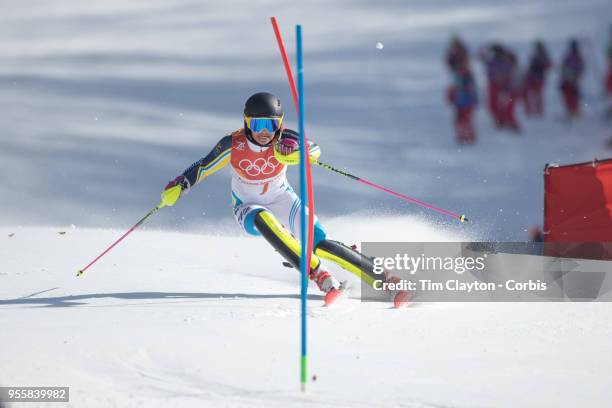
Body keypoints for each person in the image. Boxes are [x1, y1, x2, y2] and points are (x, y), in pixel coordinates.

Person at [160, 92, 409, 307]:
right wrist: (181, 184)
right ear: (247, 123)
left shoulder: (284, 139)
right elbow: (203, 167)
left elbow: (315, 150)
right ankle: (319, 275)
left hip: (282, 198)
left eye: (271, 125)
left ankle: (387, 281)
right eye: (257, 126)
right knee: (264, 218)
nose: (265, 133)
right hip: (247, 205)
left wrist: (297, 151)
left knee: (320, 244)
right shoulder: (232, 144)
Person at [447, 63, 478, 144]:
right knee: (460, 120)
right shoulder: (458, 76)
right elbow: (453, 89)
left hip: (466, 103)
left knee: (465, 120)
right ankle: (462, 135)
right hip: (460, 103)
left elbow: (472, 91)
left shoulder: (467, 77)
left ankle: (467, 135)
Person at [523, 40, 552, 117]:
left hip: (538, 79)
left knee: (537, 96)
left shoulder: (543, 56)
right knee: (530, 95)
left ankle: (538, 112)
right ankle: (531, 111)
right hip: (532, 78)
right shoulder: (535, 55)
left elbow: (548, 66)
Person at [559, 38, 585, 119]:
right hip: (567, 80)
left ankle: (574, 113)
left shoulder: (577, 57)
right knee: (568, 97)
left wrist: (576, 76)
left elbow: (580, 69)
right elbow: (563, 68)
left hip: (572, 80)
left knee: (573, 97)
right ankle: (571, 112)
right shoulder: (569, 57)